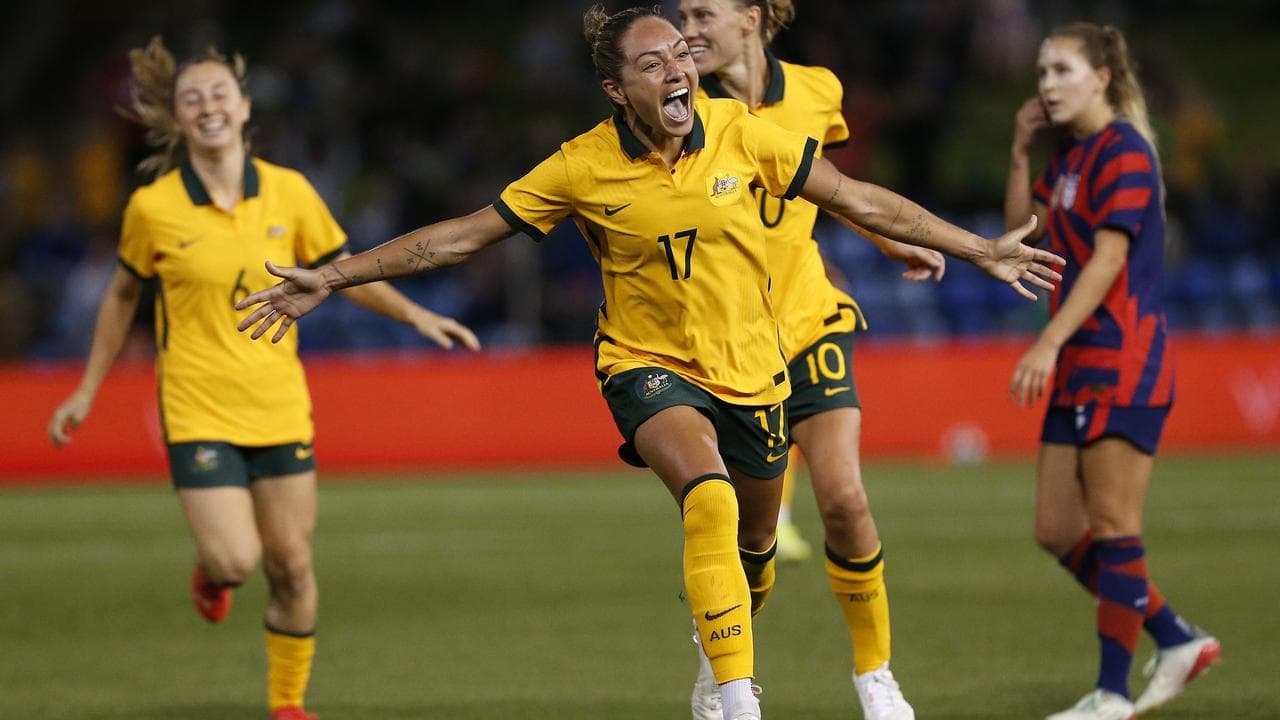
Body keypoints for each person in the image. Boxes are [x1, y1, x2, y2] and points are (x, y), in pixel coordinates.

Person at [236, 7, 1060, 719]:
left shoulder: (742, 134)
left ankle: (721, 652)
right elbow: (462, 236)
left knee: (756, 546)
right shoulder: (580, 165)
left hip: (755, 367)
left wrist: (980, 247)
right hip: (646, 364)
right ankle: (739, 700)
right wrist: (334, 276)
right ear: (616, 89)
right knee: (709, 499)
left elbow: (857, 198)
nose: (677, 70)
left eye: (680, 56)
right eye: (652, 62)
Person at [46, 37, 480, 720]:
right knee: (235, 561)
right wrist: (86, 389)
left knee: (293, 567)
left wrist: (416, 314)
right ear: (177, 118)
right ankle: (212, 574)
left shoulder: (291, 192)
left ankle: (288, 705)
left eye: (220, 93)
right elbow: (123, 296)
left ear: (245, 107)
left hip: (278, 404)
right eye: (193, 98)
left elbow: (342, 271)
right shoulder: (153, 208)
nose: (209, 106)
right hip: (196, 405)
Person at [678, 2, 943, 718]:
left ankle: (876, 676)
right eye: (681, 14)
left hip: (810, 322)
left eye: (702, 12)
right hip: (731, 344)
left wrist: (889, 239)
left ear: (751, 17)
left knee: (846, 501)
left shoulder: (819, 90)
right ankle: (720, 667)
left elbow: (828, 186)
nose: (687, 29)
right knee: (753, 536)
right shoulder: (681, 112)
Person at [1004, 22, 1220, 720]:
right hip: (1080, 360)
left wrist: (1046, 342)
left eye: (1062, 70)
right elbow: (1021, 237)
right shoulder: (1070, 156)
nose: (1048, 84)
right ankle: (1174, 637)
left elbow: (1108, 259)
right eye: (1042, 72)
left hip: (1122, 356)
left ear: (1102, 78)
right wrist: (1019, 151)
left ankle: (1111, 695)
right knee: (1055, 527)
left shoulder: (1125, 151)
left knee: (1112, 523)